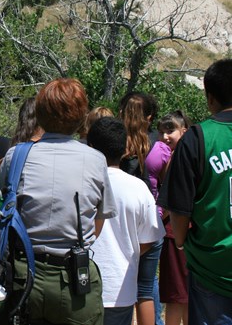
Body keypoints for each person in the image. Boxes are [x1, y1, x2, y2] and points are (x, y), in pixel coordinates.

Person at [0, 78, 116, 325]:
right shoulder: (95, 160)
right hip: (74, 278)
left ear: (39, 114)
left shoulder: (15, 156)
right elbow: (99, 221)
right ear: (81, 116)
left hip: (22, 275)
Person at [158, 58, 232, 325]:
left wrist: (181, 241)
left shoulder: (198, 138)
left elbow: (179, 212)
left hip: (213, 272)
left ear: (210, 98)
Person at [88, 117, 165, 325]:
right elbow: (151, 237)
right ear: (124, 150)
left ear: (90, 147)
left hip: (80, 287)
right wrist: (130, 250)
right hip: (120, 289)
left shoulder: (82, 182)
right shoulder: (138, 187)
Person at [119, 92, 163, 325]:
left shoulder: (117, 144)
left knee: (118, 282)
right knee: (146, 286)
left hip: (120, 222)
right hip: (152, 221)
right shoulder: (159, 144)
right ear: (150, 117)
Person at [150, 111, 190, 325]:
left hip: (176, 233)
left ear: (184, 131)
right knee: (179, 296)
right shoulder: (165, 157)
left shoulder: (177, 159)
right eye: (161, 131)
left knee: (179, 296)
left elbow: (169, 201)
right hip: (176, 233)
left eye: (171, 130)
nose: (165, 136)